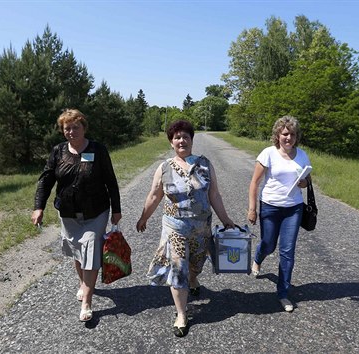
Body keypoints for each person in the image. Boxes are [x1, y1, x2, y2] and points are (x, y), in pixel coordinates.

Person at [136, 120, 235, 337]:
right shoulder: (164, 168)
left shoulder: (205, 164)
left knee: (196, 264)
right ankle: (181, 314)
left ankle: (194, 278)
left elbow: (214, 195)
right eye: (177, 137)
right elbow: (154, 195)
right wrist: (144, 217)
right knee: (178, 269)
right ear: (171, 142)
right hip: (175, 228)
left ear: (191, 139)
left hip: (201, 228)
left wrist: (226, 219)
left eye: (185, 137)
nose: (181, 140)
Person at [31, 108, 122, 322]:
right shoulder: (58, 152)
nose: (71, 131)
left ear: (84, 127)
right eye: (67, 128)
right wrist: (39, 207)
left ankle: (87, 302)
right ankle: (84, 283)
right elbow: (46, 181)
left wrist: (116, 210)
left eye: (76, 127)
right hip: (69, 213)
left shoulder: (98, 150)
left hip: (96, 211)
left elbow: (111, 181)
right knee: (77, 251)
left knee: (90, 249)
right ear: (63, 131)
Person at [247, 115, 312, 313]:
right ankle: (258, 258)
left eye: (292, 134)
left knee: (287, 251)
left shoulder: (302, 155)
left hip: (294, 208)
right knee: (269, 243)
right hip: (270, 206)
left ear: (296, 136)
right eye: (285, 134)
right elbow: (255, 183)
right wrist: (252, 208)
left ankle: (283, 293)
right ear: (278, 135)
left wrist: (304, 183)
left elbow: (308, 180)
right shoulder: (268, 154)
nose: (288, 138)